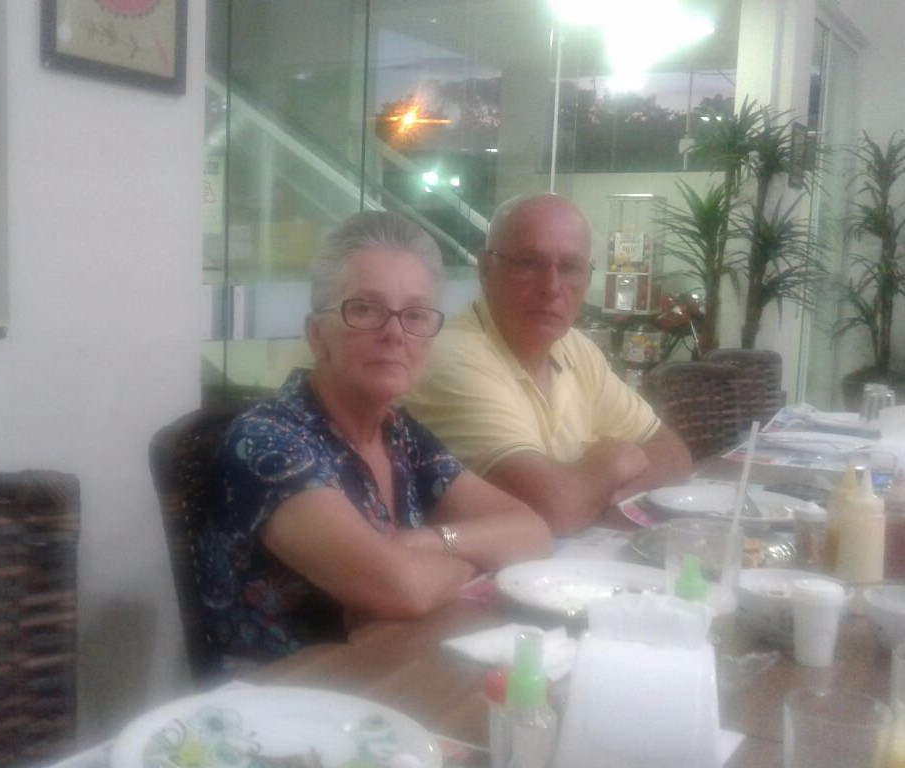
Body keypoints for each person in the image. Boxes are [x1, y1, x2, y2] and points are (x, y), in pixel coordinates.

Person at [198, 210, 552, 674]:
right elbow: (403, 589)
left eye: (416, 314)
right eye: (365, 309)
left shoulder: (400, 434)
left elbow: (532, 532)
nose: (394, 333)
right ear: (316, 335)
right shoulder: (266, 443)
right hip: (284, 700)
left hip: (391, 672)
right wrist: (472, 561)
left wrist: (425, 543)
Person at [404, 193, 692, 536]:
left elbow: (675, 455)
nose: (551, 287)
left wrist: (591, 492)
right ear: (486, 270)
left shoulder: (577, 349)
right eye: (528, 263)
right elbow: (556, 510)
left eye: (570, 268)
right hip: (464, 567)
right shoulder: (453, 356)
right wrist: (608, 465)